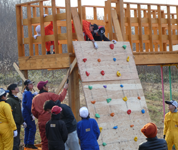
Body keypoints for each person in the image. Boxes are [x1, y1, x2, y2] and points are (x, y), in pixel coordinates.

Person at [32, 80, 68, 150]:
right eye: (46, 85)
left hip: (41, 122)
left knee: (44, 141)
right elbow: (60, 98)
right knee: (54, 139)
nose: (48, 86)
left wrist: (40, 117)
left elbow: (33, 111)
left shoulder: (35, 98)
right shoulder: (49, 95)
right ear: (44, 87)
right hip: (51, 120)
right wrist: (65, 89)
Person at [6, 84, 27, 150]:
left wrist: (22, 121)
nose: (18, 88)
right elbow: (9, 114)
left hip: (17, 123)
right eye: (16, 87)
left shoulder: (16, 99)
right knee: (15, 142)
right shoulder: (10, 100)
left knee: (17, 141)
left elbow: (18, 112)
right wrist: (13, 126)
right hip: (13, 124)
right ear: (12, 90)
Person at [22, 80, 38, 149]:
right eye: (30, 84)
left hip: (25, 113)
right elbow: (29, 105)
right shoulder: (28, 93)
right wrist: (32, 114)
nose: (32, 85)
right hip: (28, 113)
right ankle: (30, 143)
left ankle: (26, 143)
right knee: (32, 128)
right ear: (26, 86)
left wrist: (33, 95)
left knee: (27, 128)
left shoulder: (26, 92)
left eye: (32, 84)